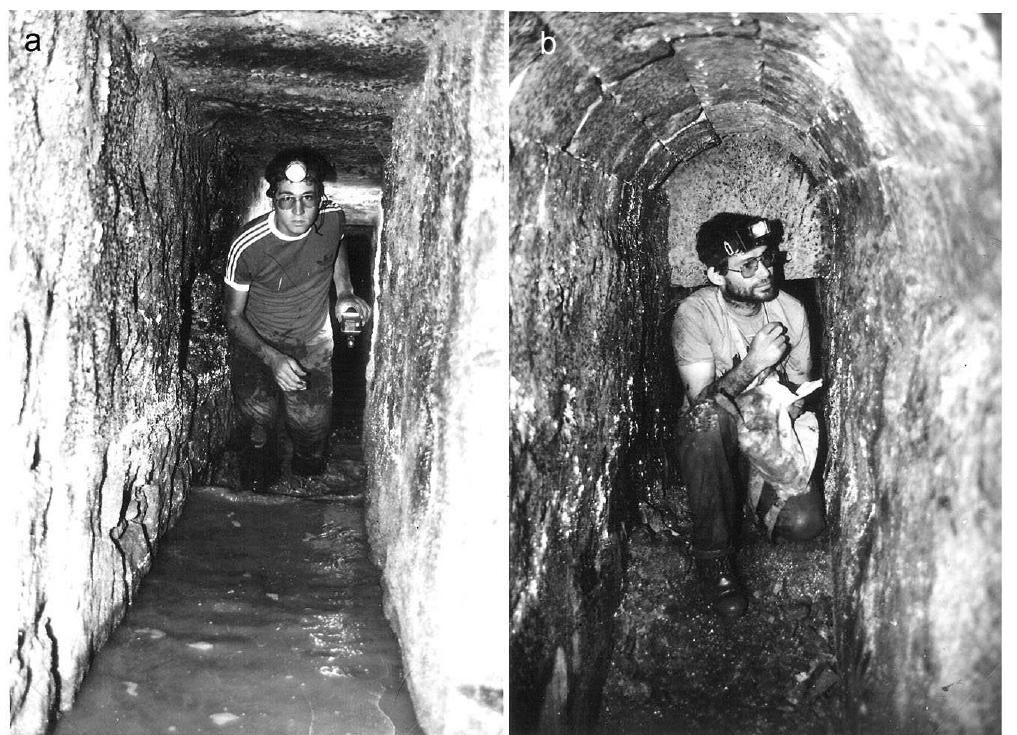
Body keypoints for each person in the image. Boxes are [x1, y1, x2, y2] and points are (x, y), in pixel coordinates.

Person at [671, 212, 824, 620]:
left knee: (804, 523)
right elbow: (702, 398)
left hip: (761, 435)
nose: (765, 272)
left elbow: (799, 392)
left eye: (767, 259)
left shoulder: (791, 311)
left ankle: (746, 501)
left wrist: (785, 404)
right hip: (712, 442)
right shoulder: (695, 314)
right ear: (717, 275)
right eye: (748, 266)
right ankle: (714, 557)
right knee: (706, 419)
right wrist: (754, 362)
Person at [223, 148, 371, 493]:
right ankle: (260, 490)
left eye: (309, 198)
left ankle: (307, 482)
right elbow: (232, 317)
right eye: (288, 199)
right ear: (272, 199)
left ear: (320, 197)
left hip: (311, 342)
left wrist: (345, 289)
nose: (300, 211)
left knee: (312, 427)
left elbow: (334, 245)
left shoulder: (331, 216)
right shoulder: (247, 246)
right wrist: (272, 358)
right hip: (257, 342)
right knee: (259, 423)